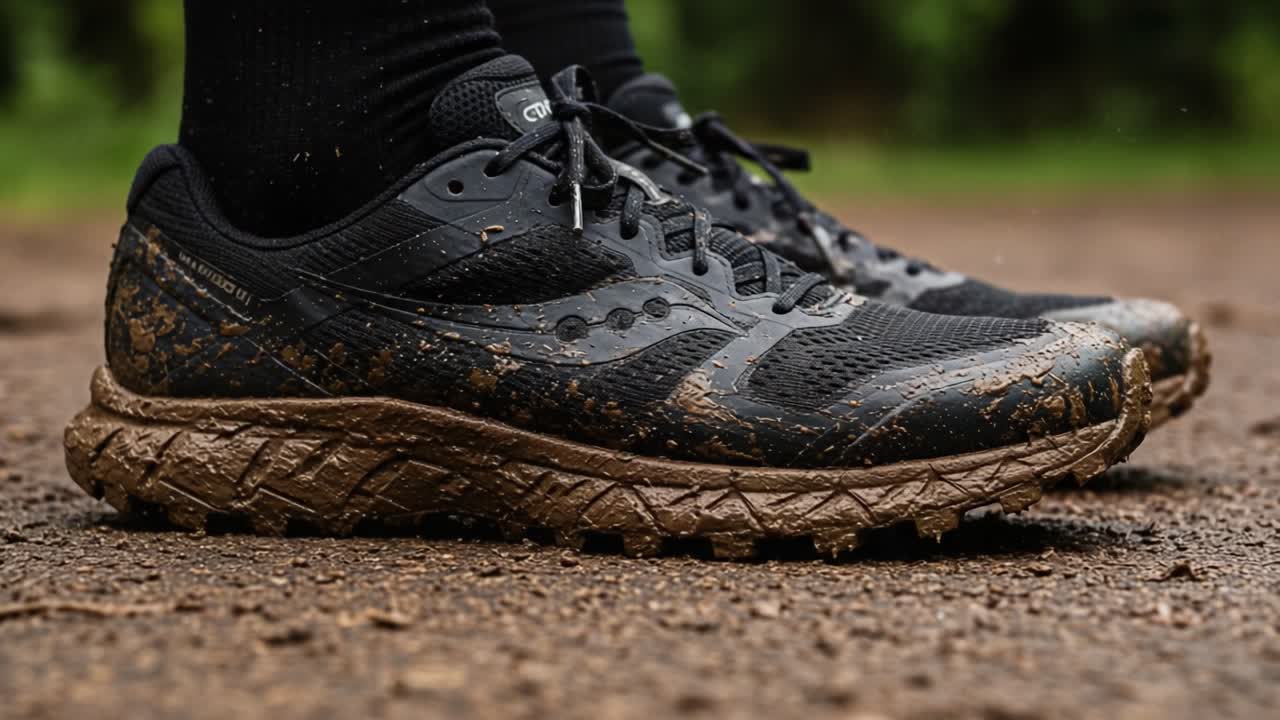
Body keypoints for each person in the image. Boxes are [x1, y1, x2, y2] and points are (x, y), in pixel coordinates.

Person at [65, 0, 1158, 558]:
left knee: (482, 79)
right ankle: (352, 152)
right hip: (319, 234)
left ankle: (529, 126)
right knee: (400, 91)